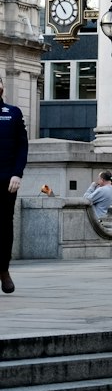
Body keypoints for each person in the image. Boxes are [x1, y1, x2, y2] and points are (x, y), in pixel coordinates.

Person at [0, 75, 28, 294]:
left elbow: (22, 146)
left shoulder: (13, 113)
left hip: (6, 181)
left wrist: (17, 174)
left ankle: (4, 270)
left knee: (4, 227)